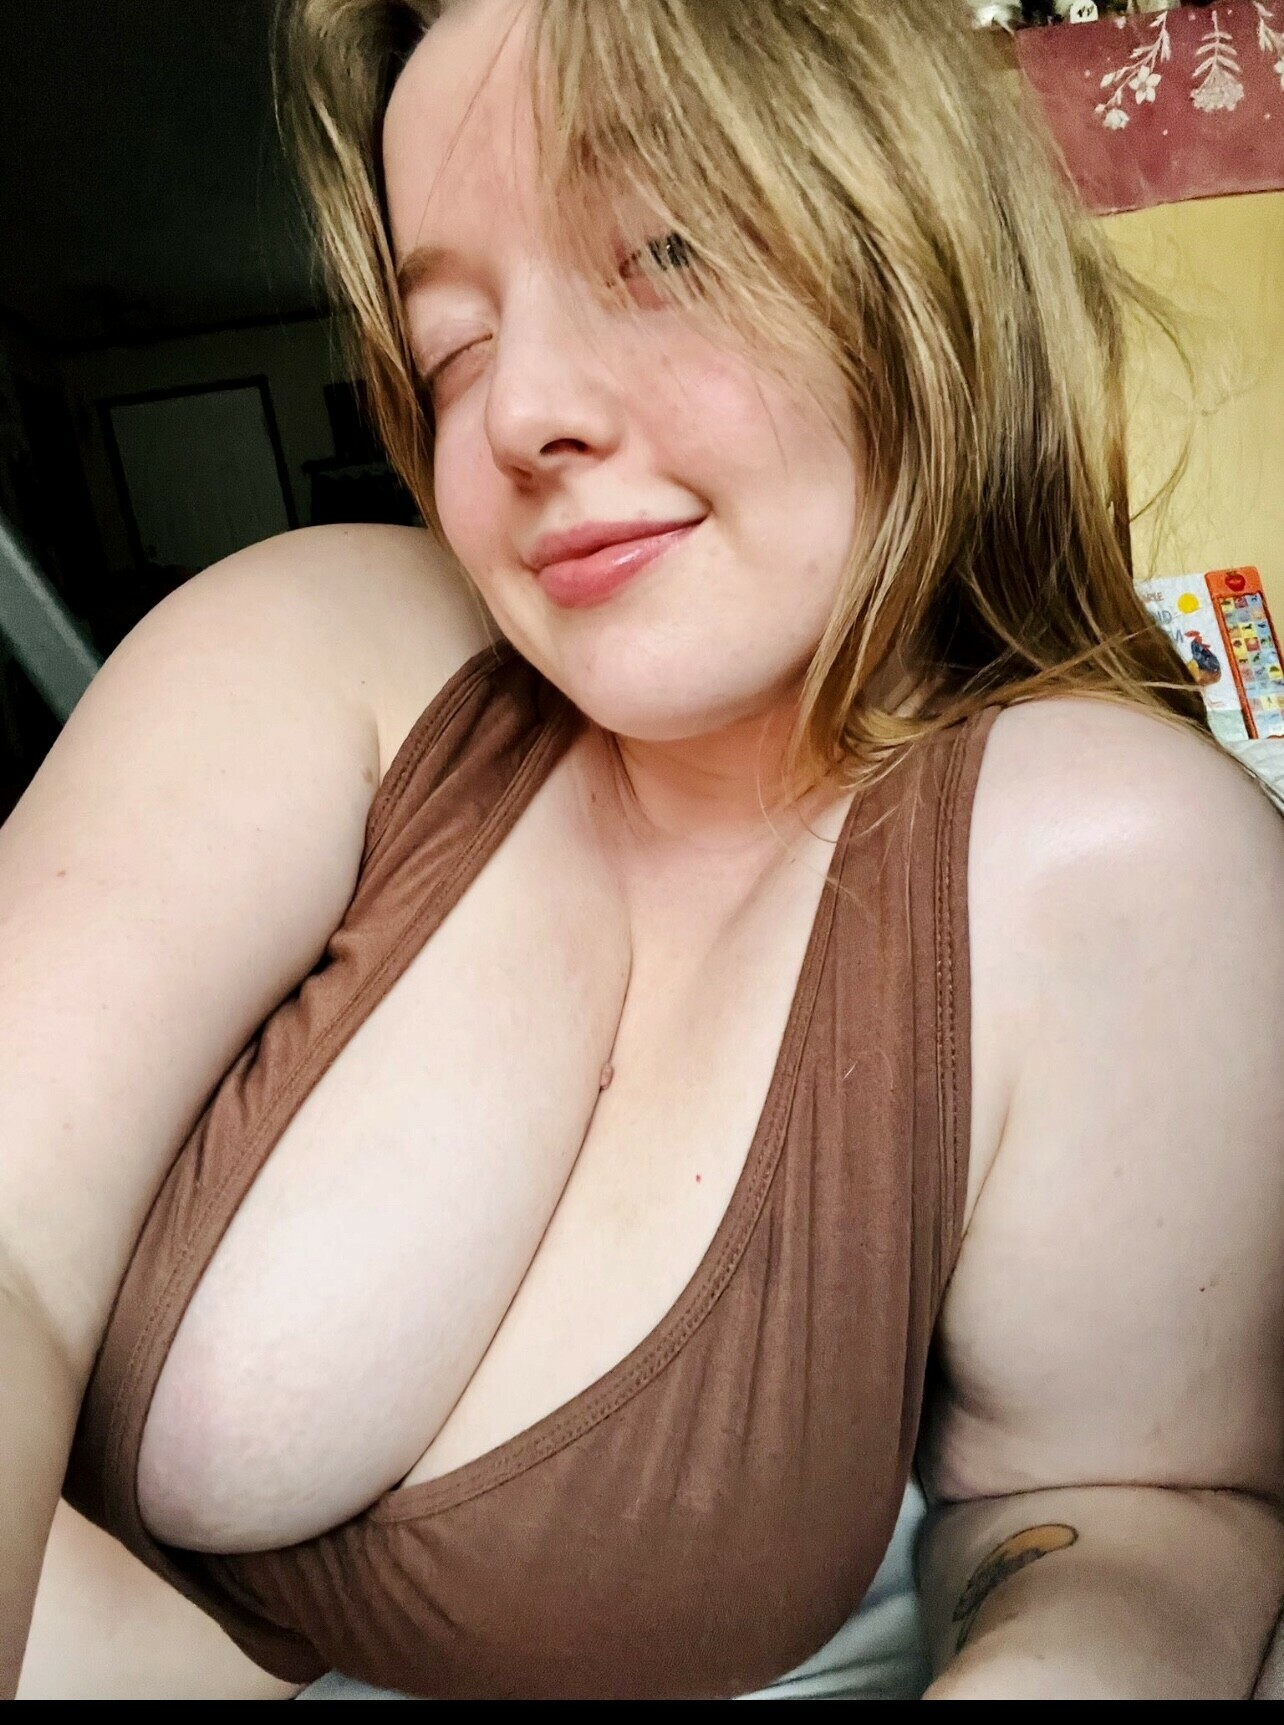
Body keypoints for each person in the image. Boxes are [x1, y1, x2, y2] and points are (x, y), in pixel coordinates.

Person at [6, 0, 1284, 1700]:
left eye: (663, 251)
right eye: (453, 345)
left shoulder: (1099, 857)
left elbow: (1121, 1502)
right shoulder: (323, 650)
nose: (521, 410)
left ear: (911, 243)